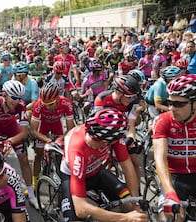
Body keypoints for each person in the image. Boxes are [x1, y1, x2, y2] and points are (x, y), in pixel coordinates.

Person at [60, 108, 148, 222]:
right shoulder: (78, 150)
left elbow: (128, 167)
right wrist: (125, 218)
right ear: (106, 141)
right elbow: (80, 209)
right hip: (72, 176)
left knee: (129, 205)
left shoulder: (110, 136)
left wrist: (134, 202)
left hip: (97, 171)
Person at [0, 80, 39, 209]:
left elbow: (23, 133)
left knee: (24, 159)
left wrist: (9, 141)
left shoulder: (21, 106)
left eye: (19, 98)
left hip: (12, 130)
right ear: (4, 95)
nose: (17, 101)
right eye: (14, 98)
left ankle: (32, 195)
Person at [153, 74, 196, 221]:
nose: (171, 108)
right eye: (170, 102)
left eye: (178, 104)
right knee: (169, 217)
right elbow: (160, 158)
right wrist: (170, 193)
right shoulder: (163, 121)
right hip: (174, 176)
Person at [30, 82, 74, 188]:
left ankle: (62, 177)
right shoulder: (38, 105)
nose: (48, 107)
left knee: (60, 154)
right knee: (38, 154)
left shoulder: (66, 103)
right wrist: (46, 139)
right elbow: (33, 130)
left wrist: (61, 138)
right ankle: (34, 181)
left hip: (57, 126)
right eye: (45, 104)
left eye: (51, 104)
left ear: (58, 99)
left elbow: (70, 128)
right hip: (43, 127)